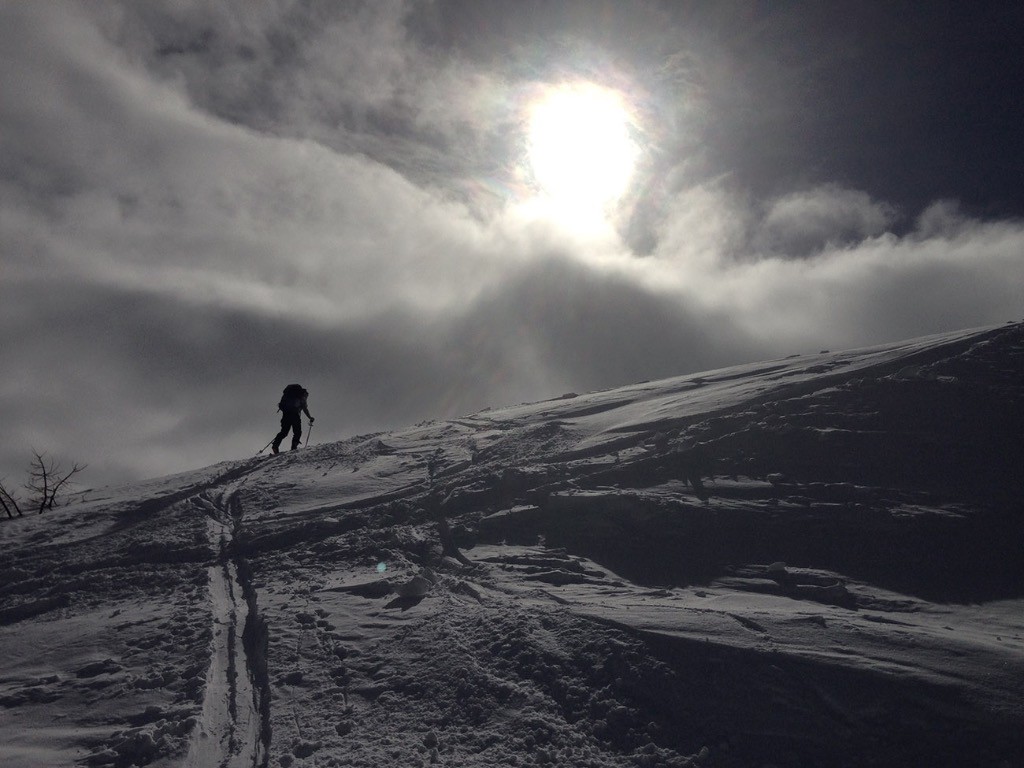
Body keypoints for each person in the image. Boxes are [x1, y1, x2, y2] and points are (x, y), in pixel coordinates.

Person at [272, 384, 314, 453]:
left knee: (284, 432)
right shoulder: (302, 395)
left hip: (286, 414)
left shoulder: (287, 394)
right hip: (295, 415)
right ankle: (294, 447)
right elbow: (304, 408)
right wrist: (310, 417)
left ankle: (275, 445)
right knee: (297, 432)